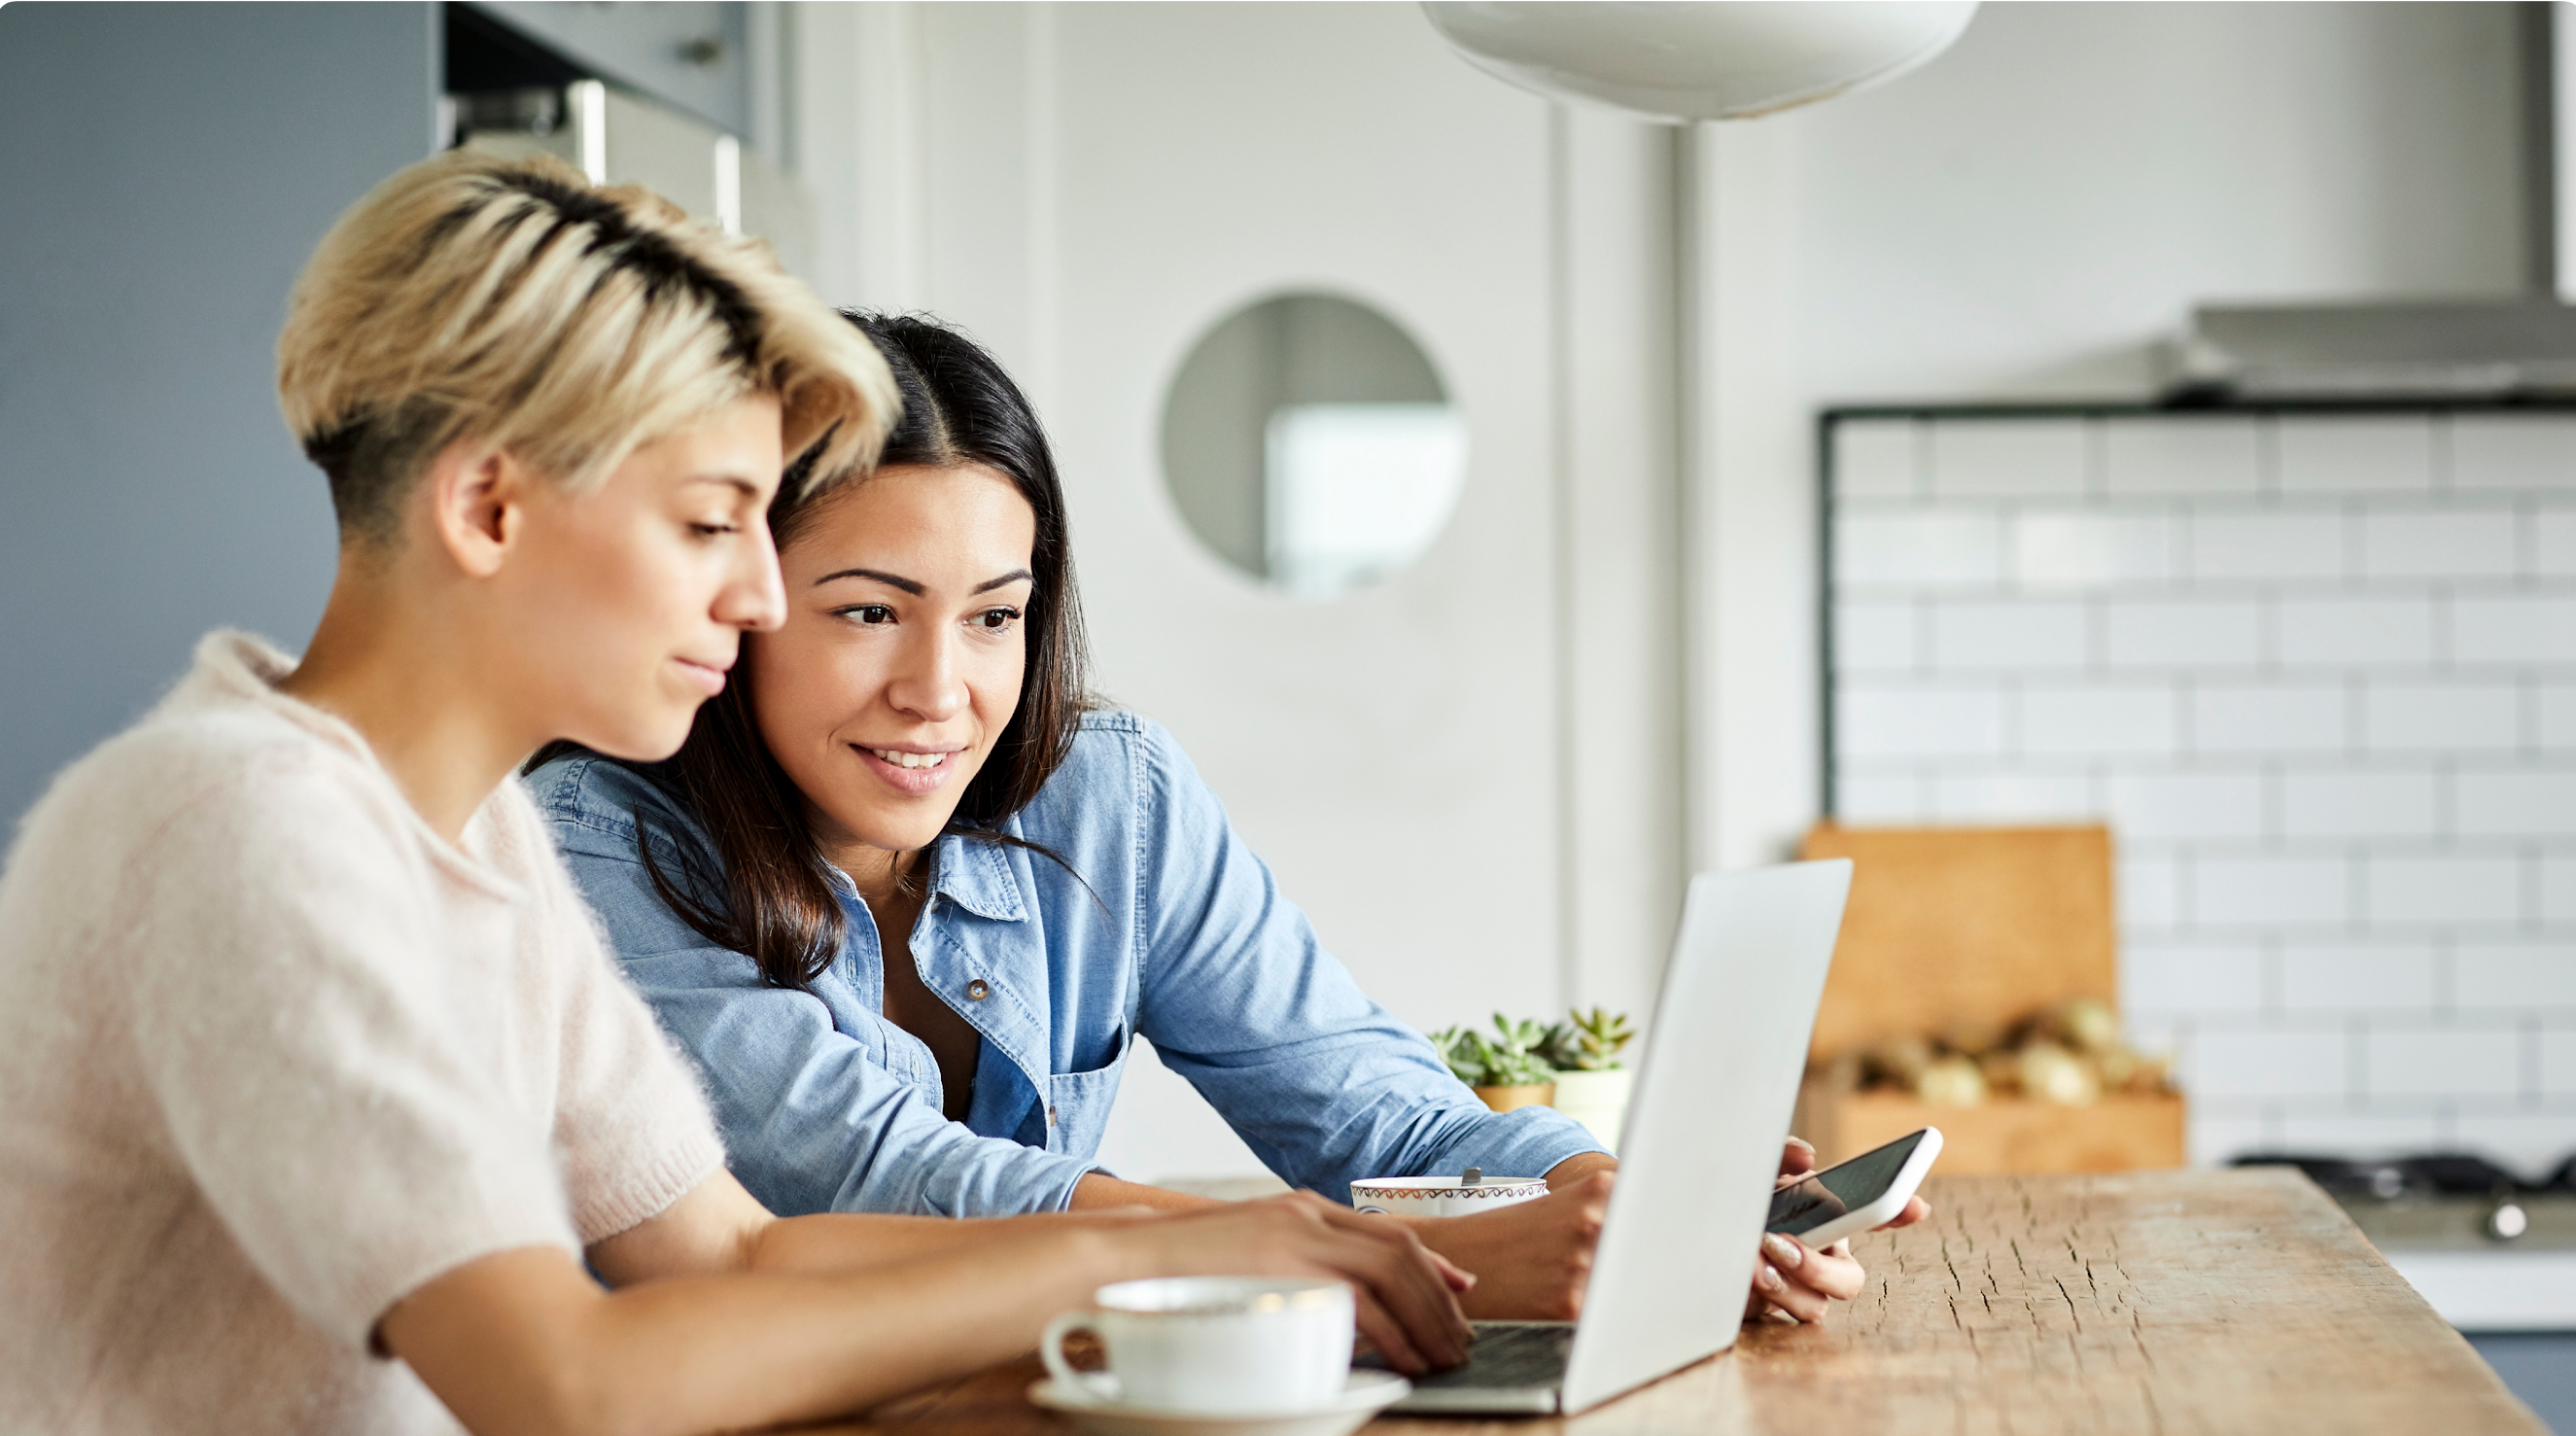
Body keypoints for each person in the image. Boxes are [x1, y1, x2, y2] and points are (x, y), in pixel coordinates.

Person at [0, 153, 1473, 1436]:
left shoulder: (471, 832)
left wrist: (1221, 1254)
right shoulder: (244, 830)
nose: (763, 594)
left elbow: (729, 1257)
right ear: (488, 507)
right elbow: (565, 1392)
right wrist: (1137, 1259)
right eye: (713, 522)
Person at [529, 312, 1926, 1326]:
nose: (939, 691)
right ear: (746, 602)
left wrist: (1620, 1205)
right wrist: (1366, 1260)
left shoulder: (1104, 793)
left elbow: (1359, 1094)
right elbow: (874, 1179)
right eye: (867, 612)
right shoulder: (597, 841)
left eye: (997, 616)